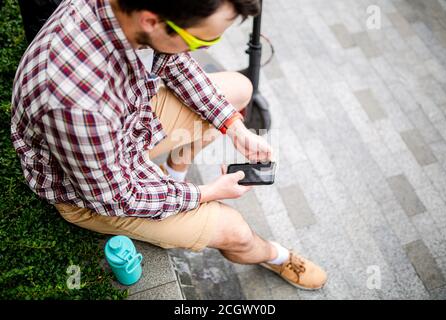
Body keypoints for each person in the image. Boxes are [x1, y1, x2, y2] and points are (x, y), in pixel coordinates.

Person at [11, 0, 327, 290]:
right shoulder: (75, 106)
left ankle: (173, 174)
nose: (203, 48)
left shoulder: (131, 14)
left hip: (125, 127)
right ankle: (275, 256)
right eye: (201, 41)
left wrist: (234, 128)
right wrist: (207, 193)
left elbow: (174, 63)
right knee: (236, 231)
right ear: (151, 21)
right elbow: (117, 197)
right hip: (91, 189)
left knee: (239, 90)